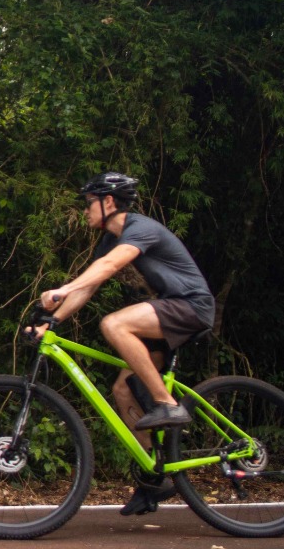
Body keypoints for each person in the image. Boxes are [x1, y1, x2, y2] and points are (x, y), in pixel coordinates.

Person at [34, 172, 216, 516]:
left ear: (109, 202)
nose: (86, 210)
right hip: (170, 310)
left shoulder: (140, 228)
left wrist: (62, 289)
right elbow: (89, 287)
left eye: (89, 203)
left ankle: (166, 402)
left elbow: (108, 267)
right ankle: (154, 476)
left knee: (115, 324)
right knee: (123, 388)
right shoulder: (110, 239)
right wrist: (52, 322)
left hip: (190, 306)